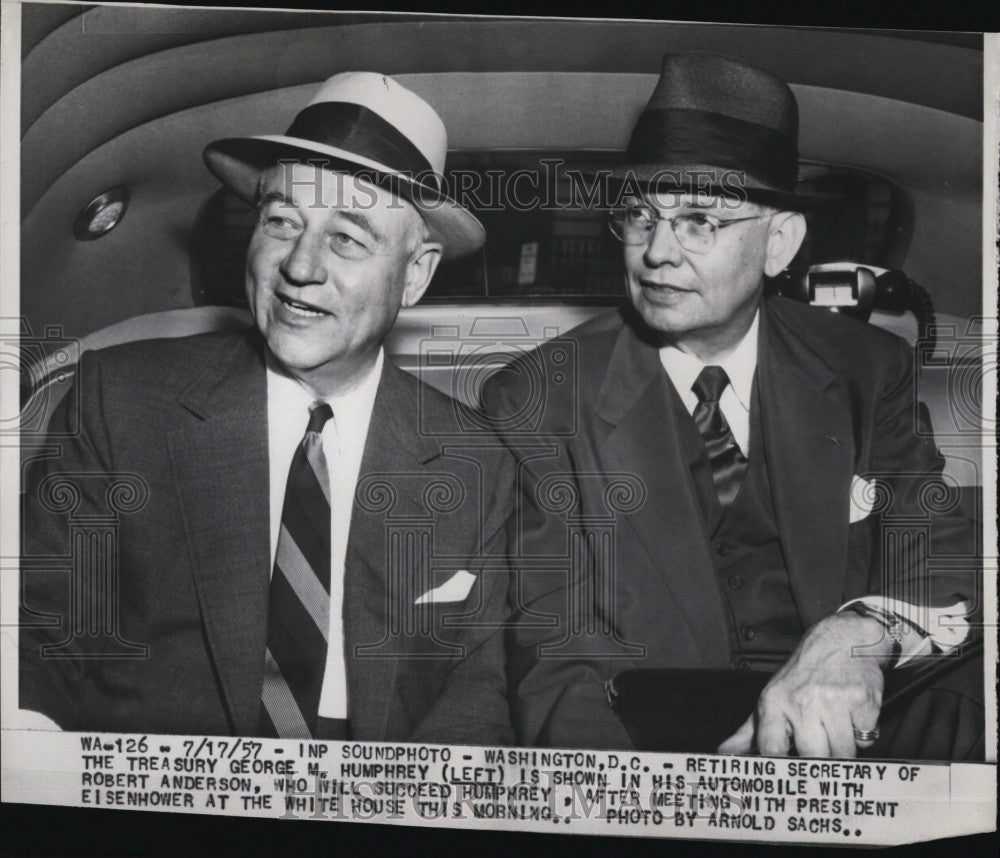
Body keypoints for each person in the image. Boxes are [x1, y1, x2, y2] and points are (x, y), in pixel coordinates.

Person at [482, 53, 982, 758]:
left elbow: (938, 552)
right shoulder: (535, 398)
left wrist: (861, 633)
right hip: (653, 746)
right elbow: (554, 653)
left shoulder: (868, 368)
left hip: (860, 739)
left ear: (780, 242)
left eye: (698, 221)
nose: (656, 252)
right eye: (639, 215)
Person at [20, 72, 514, 744]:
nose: (300, 266)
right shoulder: (120, 404)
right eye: (282, 220)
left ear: (417, 274)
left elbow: (477, 692)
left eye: (347, 237)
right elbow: (39, 638)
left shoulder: (478, 462)